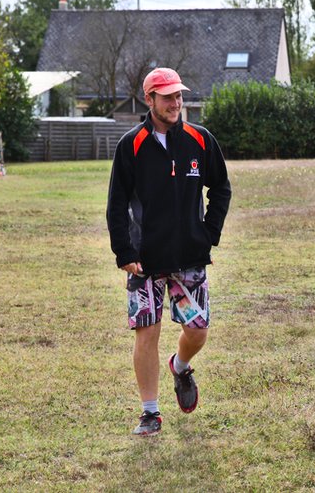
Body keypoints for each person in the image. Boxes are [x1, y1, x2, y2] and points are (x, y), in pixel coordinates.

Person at [106, 67, 231, 436]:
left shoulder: (200, 139)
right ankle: (150, 412)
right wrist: (124, 252)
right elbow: (116, 204)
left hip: (190, 255)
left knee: (197, 330)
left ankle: (180, 366)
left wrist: (208, 234)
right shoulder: (131, 145)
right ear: (150, 100)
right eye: (167, 97)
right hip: (144, 260)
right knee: (147, 332)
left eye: (178, 95)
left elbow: (221, 189)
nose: (176, 102)